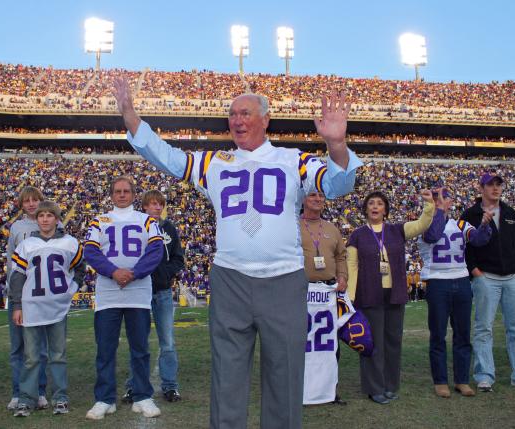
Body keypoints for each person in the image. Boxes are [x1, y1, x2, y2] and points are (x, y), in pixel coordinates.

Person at [114, 77, 362, 429]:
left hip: (284, 277)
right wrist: (130, 117)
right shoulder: (214, 161)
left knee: (285, 372)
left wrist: (337, 145)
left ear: (265, 119)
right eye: (231, 114)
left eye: (245, 113)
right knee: (227, 374)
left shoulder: (294, 160)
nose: (236, 120)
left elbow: (338, 185)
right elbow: (169, 158)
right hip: (230, 277)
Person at [84, 177, 164, 420]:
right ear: (111, 194)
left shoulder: (147, 220)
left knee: (140, 348)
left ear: (133, 194)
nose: (121, 195)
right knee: (105, 349)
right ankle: (104, 398)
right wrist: (113, 272)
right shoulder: (99, 220)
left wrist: (134, 273)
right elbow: (90, 251)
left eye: (126, 191)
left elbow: (155, 251)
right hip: (108, 295)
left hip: (138, 295)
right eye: (117, 191)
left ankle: (142, 396)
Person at [346, 189, 434, 404]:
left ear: (385, 209)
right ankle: (374, 387)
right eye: (371, 203)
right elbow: (352, 266)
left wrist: (429, 204)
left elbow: (422, 224)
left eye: (379, 203)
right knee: (372, 343)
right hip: (368, 294)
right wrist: (350, 297)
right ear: (366, 209)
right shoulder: (357, 234)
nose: (375, 206)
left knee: (393, 342)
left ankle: (390, 385)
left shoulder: (397, 230)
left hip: (395, 294)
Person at [460, 172, 515, 391]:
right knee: (483, 328)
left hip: (512, 277)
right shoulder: (469, 214)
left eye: (498, 184)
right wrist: (475, 271)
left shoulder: (510, 212)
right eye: (490, 185)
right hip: (486, 277)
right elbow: (464, 247)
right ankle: (484, 376)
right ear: (481, 188)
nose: (495, 188)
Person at [8, 201, 85, 417]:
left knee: (58, 354)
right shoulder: (27, 244)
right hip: (32, 306)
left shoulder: (70, 242)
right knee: (31, 356)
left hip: (57, 306)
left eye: (49, 215)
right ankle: (27, 398)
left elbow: (80, 267)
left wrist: (73, 288)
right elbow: (18, 276)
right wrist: (17, 305)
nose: (44, 219)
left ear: (57, 218)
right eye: (41, 215)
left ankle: (60, 396)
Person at [418, 188, 492, 398]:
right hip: (437, 281)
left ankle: (462, 380)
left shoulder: (460, 224)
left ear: (451, 201)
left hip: (461, 279)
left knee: (462, 333)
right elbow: (432, 236)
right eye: (434, 197)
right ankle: (440, 380)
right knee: (438, 334)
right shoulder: (424, 222)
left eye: (442, 197)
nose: (439, 200)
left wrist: (485, 225)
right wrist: (439, 211)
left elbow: (478, 240)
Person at [123, 190, 185, 404]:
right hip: (140, 291)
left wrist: (166, 273)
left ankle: (170, 386)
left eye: (160, 204)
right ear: (145, 207)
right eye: (152, 204)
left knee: (167, 342)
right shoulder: (137, 227)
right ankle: (134, 386)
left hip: (163, 292)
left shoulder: (169, 228)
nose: (157, 208)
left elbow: (179, 258)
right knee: (139, 341)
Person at [300, 190, 348, 405]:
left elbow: (341, 255)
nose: (318, 199)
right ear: (303, 199)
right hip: (300, 292)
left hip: (327, 293)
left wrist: (343, 276)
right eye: (312, 195)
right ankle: (299, 389)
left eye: (321, 196)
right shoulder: (292, 226)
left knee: (329, 345)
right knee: (300, 343)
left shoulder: (331, 228)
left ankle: (330, 390)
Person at [5, 186, 49, 411]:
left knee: (40, 348)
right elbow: (11, 262)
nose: (32, 204)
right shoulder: (16, 227)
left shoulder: (51, 223)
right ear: (21, 204)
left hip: (40, 294)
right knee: (18, 347)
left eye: (35, 200)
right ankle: (18, 391)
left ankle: (40, 391)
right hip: (18, 293)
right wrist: (12, 292)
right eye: (27, 201)